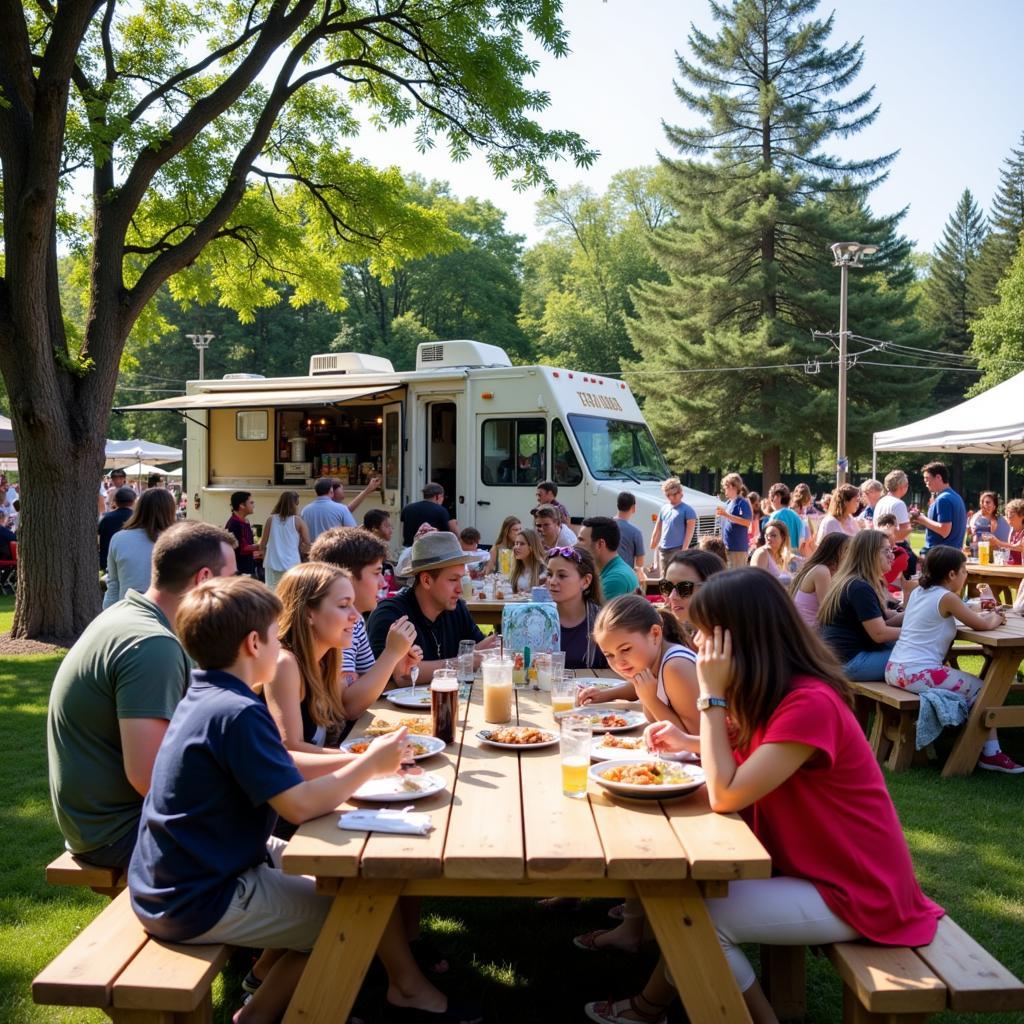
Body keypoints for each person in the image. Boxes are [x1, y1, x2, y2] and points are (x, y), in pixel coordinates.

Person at [586, 569, 943, 1024]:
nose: (696, 646)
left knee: (699, 917)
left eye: (705, 635)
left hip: (855, 888)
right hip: (814, 869)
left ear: (742, 637)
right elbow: (743, 754)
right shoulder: (773, 691)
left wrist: (710, 698)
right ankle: (648, 1007)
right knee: (684, 896)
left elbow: (726, 792)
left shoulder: (808, 701)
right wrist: (689, 740)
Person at [126, 577, 476, 1024]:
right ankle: (264, 1016)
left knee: (357, 885)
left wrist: (365, 761)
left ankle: (292, 981)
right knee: (349, 914)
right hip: (197, 894)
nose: (282, 643)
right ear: (254, 643)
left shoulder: (210, 694)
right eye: (276, 634)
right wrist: (368, 765)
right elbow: (299, 806)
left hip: (187, 867)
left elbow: (287, 775)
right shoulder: (236, 713)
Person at [47, 522, 237, 871]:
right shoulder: (153, 646)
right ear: (204, 578)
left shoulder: (129, 613)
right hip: (122, 833)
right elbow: (149, 777)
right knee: (290, 839)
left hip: (107, 825)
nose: (238, 590)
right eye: (233, 578)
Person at [885, 546, 1022, 774]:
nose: (965, 574)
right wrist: (997, 616)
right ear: (951, 574)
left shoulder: (920, 592)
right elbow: (983, 625)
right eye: (963, 570)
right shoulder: (946, 597)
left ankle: (972, 736)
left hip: (895, 669)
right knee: (983, 688)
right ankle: (991, 753)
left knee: (974, 686)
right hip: (916, 672)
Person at [262, 562, 417, 751]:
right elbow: (291, 750)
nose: (356, 616)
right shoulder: (285, 663)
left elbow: (347, 712)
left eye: (353, 604)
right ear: (308, 613)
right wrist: (368, 761)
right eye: (344, 605)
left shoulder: (327, 659)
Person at [308, 527, 424, 708]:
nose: (384, 582)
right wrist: (391, 654)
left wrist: (398, 664)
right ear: (347, 577)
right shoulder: (333, 626)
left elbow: (368, 682)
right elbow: (348, 706)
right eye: (377, 573)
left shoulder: (356, 621)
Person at [367, 531, 497, 682]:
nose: (460, 589)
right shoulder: (391, 614)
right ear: (427, 580)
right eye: (453, 579)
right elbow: (399, 676)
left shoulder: (456, 608)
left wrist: (488, 649)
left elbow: (478, 650)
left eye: (462, 579)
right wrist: (464, 662)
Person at [818, 530, 902, 681]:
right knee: (917, 655)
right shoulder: (859, 587)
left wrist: (911, 615)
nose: (892, 555)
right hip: (850, 663)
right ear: (869, 554)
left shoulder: (851, 580)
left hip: (837, 659)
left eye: (892, 550)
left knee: (913, 649)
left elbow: (877, 621)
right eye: (886, 550)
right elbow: (879, 634)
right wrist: (916, 632)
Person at [103, 487, 177, 608]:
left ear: (139, 508)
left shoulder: (119, 538)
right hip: (166, 615)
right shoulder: (178, 541)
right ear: (171, 510)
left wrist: (108, 616)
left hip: (127, 612)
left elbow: (113, 585)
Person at [546, 545, 607, 670]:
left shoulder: (604, 622)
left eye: (562, 576)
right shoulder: (536, 618)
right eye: (549, 574)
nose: (552, 581)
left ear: (585, 581)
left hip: (593, 688)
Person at [789, 533, 850, 629]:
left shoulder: (825, 570)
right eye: (847, 550)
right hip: (810, 634)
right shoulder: (821, 571)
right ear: (836, 552)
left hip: (808, 631)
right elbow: (829, 611)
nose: (850, 555)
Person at [258, 490, 310, 590]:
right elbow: (307, 544)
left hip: (272, 563)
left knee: (273, 592)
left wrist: (265, 558)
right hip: (292, 563)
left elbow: (262, 544)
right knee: (291, 593)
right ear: (295, 504)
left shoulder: (270, 520)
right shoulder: (298, 521)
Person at [911, 462, 967, 553]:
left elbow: (944, 530)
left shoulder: (943, 499)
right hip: (952, 553)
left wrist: (921, 519)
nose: (926, 483)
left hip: (940, 555)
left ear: (938, 477)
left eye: (927, 479)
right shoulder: (955, 496)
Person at [578, 516, 639, 599]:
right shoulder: (611, 571)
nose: (575, 545)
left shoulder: (616, 579)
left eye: (581, 540)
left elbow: (593, 612)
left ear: (600, 544)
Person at [649, 477, 696, 576]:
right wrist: (653, 545)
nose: (671, 497)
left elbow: (689, 533)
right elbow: (657, 529)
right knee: (664, 580)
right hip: (663, 549)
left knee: (678, 579)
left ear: (680, 493)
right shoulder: (664, 508)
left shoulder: (688, 510)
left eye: (674, 494)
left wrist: (684, 550)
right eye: (668, 495)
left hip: (677, 550)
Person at [400, 482, 457, 546]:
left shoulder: (407, 508)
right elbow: (446, 534)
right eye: (442, 497)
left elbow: (402, 530)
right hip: (430, 550)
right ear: (437, 496)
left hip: (409, 548)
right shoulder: (441, 511)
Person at [716, 473, 752, 568]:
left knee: (737, 578)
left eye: (725, 487)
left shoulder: (742, 502)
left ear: (732, 486)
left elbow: (747, 522)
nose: (724, 490)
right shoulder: (728, 503)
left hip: (737, 548)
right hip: (728, 547)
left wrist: (726, 515)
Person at [226, 490, 262, 577]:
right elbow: (242, 548)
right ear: (242, 505)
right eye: (251, 502)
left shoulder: (245, 521)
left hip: (247, 566)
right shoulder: (234, 524)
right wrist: (262, 546)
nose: (253, 506)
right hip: (239, 571)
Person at [97, 486, 135, 569]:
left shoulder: (106, 518)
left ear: (116, 501)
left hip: (107, 562)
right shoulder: (137, 518)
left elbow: (98, 540)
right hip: (130, 563)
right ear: (133, 501)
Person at [613, 492, 647, 577]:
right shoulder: (636, 532)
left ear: (618, 506)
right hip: (625, 576)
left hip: (605, 574)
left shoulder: (604, 526)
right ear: (633, 508)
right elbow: (640, 563)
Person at [766, 483, 806, 554]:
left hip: (780, 555)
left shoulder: (776, 515)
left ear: (777, 496)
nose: (770, 501)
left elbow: (770, 539)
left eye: (771, 497)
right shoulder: (796, 516)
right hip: (795, 555)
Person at [509, 528, 548, 594]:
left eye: (522, 544)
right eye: (516, 543)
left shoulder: (543, 570)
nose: (517, 547)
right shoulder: (515, 569)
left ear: (532, 547)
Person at [989, 498, 1024, 564]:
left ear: (1022, 516)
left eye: (1012, 515)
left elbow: (1020, 547)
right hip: (1013, 568)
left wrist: (997, 542)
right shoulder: (1012, 530)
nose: (1009, 518)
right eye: (1007, 515)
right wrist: (994, 545)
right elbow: (1010, 549)